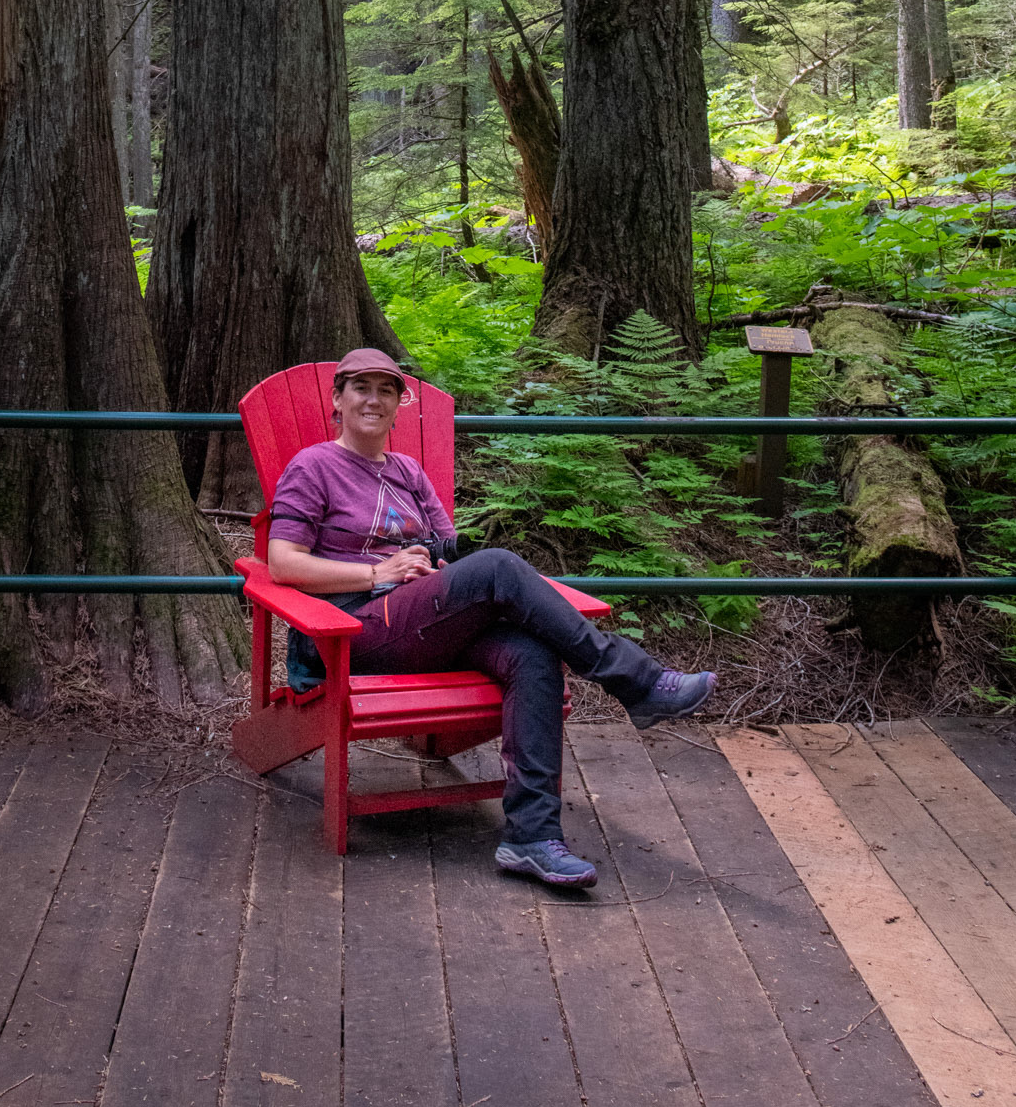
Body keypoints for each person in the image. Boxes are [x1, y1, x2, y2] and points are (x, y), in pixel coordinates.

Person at [266, 348, 716, 889]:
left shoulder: (408, 472)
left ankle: (531, 836)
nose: (374, 399)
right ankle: (636, 681)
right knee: (499, 567)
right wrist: (377, 572)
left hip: (425, 621)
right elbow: (282, 563)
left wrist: (438, 563)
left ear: (399, 405)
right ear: (337, 399)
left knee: (532, 654)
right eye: (361, 387)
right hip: (352, 631)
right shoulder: (313, 467)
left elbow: (448, 550)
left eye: (387, 389)